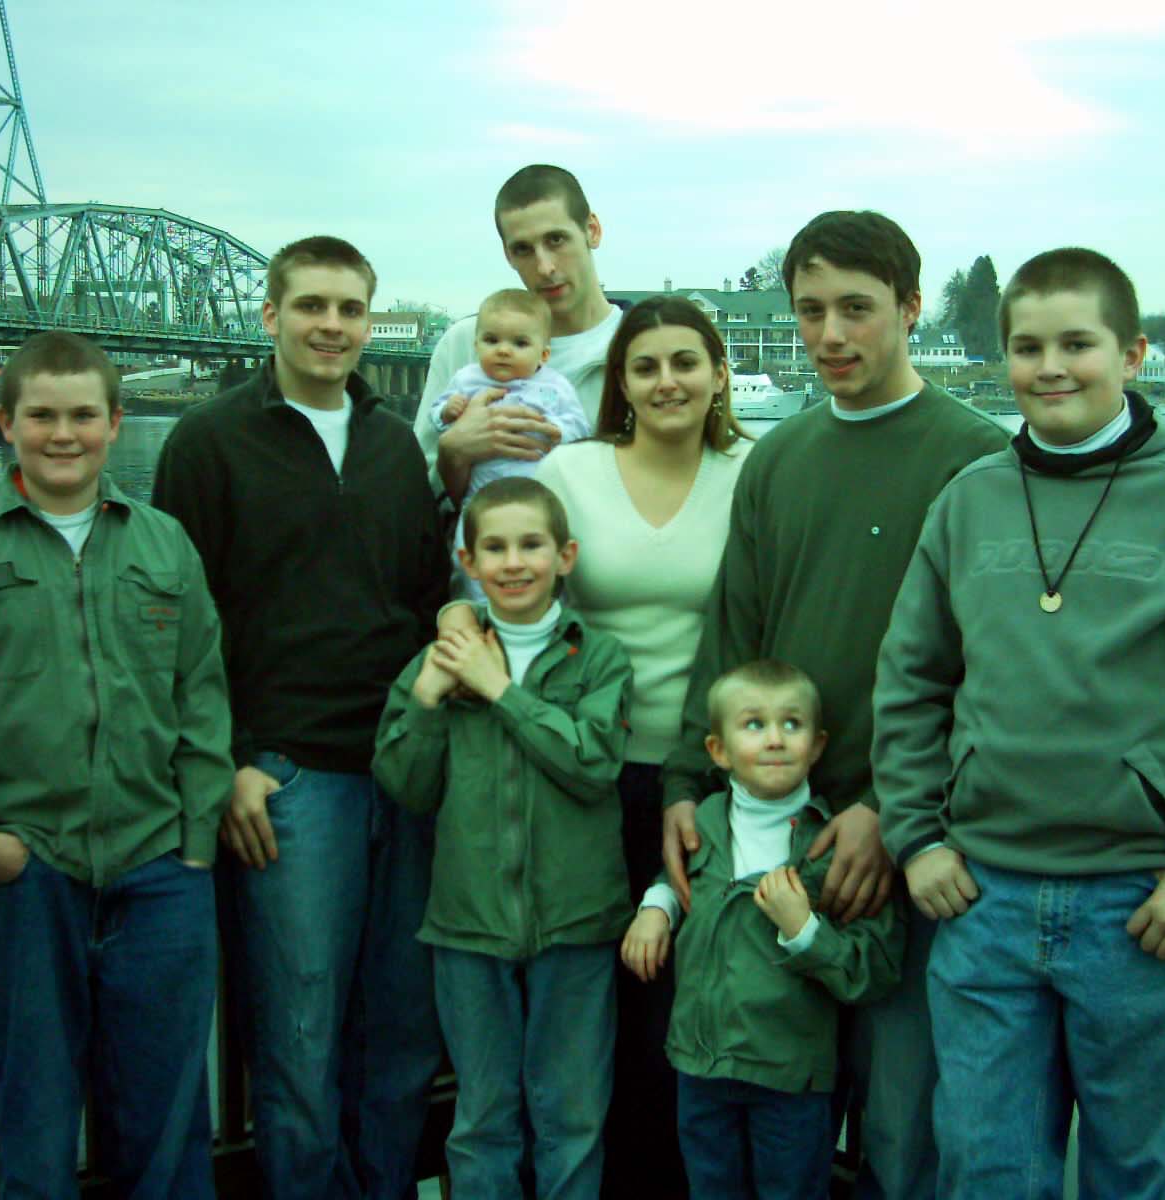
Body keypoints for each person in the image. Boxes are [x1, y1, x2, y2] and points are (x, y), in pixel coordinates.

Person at [873, 247, 1165, 1199]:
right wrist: (917, 837)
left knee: (1137, 1178)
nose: (1052, 367)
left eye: (1078, 343)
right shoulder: (968, 501)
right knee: (986, 1173)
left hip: (1147, 914)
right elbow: (910, 686)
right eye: (1028, 347)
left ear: (1133, 354)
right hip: (981, 901)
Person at [660, 210, 1008, 1198]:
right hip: (783, 845)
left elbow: (994, 674)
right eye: (809, 311)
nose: (829, 335)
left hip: (915, 845)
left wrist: (894, 810)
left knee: (903, 1126)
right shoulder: (779, 458)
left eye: (856, 308)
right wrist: (686, 782)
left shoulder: (977, 459)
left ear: (909, 307)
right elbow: (733, 638)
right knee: (780, 1120)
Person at [0, 331, 233, 1199]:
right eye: (41, 416)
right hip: (28, 867)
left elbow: (202, 693)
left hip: (160, 863)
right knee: (35, 1107)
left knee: (169, 1111)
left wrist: (196, 836)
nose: (62, 434)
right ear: (6, 424)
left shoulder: (165, 544)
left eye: (82, 415)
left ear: (115, 423)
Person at [151, 236, 447, 1200]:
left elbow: (421, 600)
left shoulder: (393, 443)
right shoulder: (209, 441)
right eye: (311, 305)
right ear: (270, 316)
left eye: (350, 308)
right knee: (301, 1031)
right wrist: (228, 760)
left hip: (403, 770)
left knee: (402, 1027)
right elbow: (178, 624)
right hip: (288, 776)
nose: (332, 325)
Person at [534, 294, 752, 1195]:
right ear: (619, 382)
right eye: (646, 366)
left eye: (686, 362)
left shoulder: (754, 471)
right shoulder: (570, 470)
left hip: (708, 785)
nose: (668, 381)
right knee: (592, 1003)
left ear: (718, 374)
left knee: (684, 1002)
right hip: (585, 775)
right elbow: (509, 589)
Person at [374, 476, 633, 1200]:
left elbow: (593, 764)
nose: (514, 562)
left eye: (531, 545)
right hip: (469, 923)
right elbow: (405, 786)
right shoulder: (440, 660)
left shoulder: (597, 657)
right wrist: (426, 701)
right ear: (468, 561)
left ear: (565, 556)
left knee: (571, 1114)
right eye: (494, 547)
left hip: (576, 921)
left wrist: (501, 691)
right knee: (483, 1117)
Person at [625, 660, 903, 1200]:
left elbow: (875, 970)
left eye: (791, 724)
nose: (775, 739)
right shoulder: (703, 823)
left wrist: (804, 929)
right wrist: (656, 908)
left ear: (817, 746)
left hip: (789, 1078)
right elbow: (681, 881)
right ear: (718, 750)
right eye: (754, 724)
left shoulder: (832, 847)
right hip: (701, 1067)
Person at [414, 164, 623, 505]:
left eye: (556, 240)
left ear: (592, 231)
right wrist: (453, 452)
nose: (545, 267)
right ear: (508, 255)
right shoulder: (462, 344)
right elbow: (418, 496)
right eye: (523, 249)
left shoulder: (638, 351)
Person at [431, 287, 592, 593]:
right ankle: (478, 607)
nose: (503, 350)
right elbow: (437, 416)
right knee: (472, 556)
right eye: (492, 340)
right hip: (481, 495)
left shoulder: (555, 386)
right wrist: (448, 411)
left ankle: (544, 609)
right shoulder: (467, 379)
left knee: (541, 559)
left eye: (519, 343)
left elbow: (579, 427)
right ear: (476, 345)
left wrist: (558, 430)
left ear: (543, 355)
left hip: (540, 495)